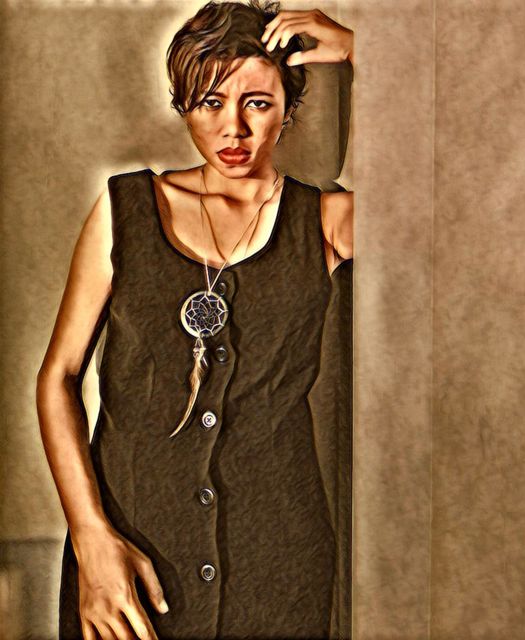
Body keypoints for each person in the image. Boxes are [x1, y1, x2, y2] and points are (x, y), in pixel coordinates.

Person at [35, 1, 354, 638]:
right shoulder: (124, 209)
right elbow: (58, 378)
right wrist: (92, 539)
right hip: (131, 556)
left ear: (288, 108)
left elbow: (439, 196)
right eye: (210, 102)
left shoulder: (325, 220)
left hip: (278, 562)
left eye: (257, 103)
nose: (233, 128)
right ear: (183, 104)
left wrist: (359, 49)